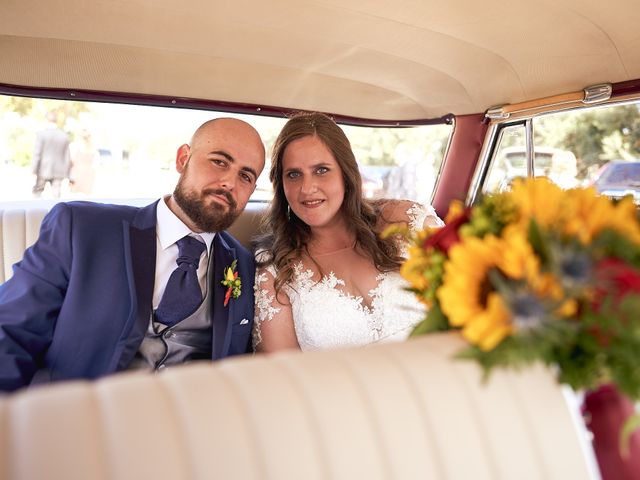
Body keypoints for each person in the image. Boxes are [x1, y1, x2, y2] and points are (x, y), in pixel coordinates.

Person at [0, 118, 265, 391]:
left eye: (245, 176)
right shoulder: (81, 228)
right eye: (219, 162)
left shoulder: (246, 267)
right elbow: (12, 330)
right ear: (183, 159)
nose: (229, 182)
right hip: (77, 416)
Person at [253, 112, 444, 352]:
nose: (307, 188)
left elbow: (471, 305)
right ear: (281, 185)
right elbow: (284, 373)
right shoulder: (274, 270)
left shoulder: (406, 221)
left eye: (321, 170)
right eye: (293, 174)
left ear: (346, 172)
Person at [32, 112, 72, 198]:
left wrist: (34, 169)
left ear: (46, 120)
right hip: (59, 170)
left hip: (43, 169)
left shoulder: (41, 134)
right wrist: (67, 173)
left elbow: (37, 153)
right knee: (56, 195)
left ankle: (38, 211)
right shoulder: (64, 135)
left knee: (37, 193)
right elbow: (67, 156)